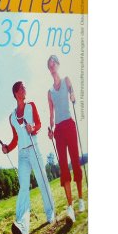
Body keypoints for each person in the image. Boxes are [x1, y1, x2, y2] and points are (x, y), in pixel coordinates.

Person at [1, 81, 55, 234]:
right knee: (23, 187)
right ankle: (22, 226)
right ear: (17, 93)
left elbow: (38, 124)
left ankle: (51, 214)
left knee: (42, 181)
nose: (25, 89)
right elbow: (16, 138)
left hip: (34, 149)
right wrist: (7, 148)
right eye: (23, 88)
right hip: (22, 154)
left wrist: (33, 127)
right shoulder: (11, 117)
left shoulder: (31, 106)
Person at [47, 54, 85, 223]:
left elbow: (73, 94)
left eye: (53, 63)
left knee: (75, 162)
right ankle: (70, 206)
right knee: (63, 167)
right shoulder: (49, 93)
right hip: (59, 130)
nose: (52, 66)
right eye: (49, 65)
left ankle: (81, 199)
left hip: (69, 124)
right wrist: (50, 129)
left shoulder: (67, 80)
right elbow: (51, 115)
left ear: (58, 65)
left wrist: (73, 96)